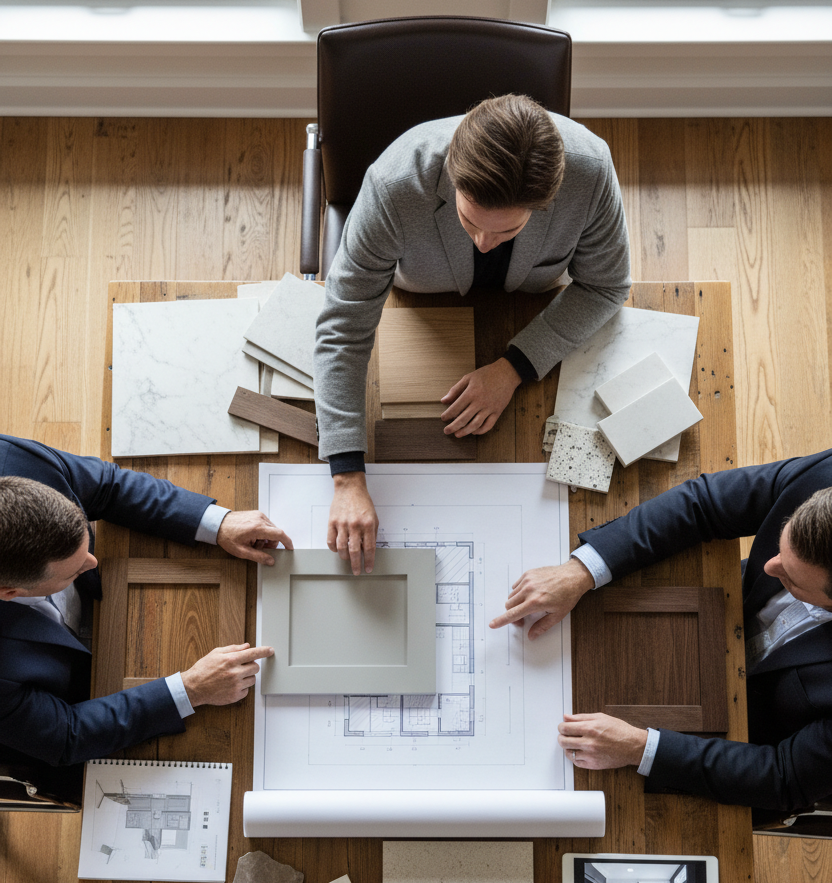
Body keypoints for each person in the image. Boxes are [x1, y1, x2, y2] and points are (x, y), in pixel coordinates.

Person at [315, 94, 631, 574]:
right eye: (470, 221)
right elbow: (344, 321)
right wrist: (346, 477)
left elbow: (606, 285)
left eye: (506, 232)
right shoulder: (395, 182)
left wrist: (514, 368)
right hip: (420, 303)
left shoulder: (590, 170)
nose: (484, 243)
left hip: (530, 306)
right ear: (451, 179)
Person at [489, 450, 832, 818]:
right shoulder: (822, 479)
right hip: (702, 625)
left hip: (737, 750)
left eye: (789, 577)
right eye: (781, 547)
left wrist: (640, 748)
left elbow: (782, 778)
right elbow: (705, 503)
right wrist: (581, 571)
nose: (768, 566)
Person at [0, 434, 292, 791]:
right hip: (60, 698)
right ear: (9, 592)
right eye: (75, 569)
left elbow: (108, 486)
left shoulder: (16, 461)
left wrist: (217, 524)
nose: (93, 562)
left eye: (84, 545)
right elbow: (65, 736)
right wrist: (192, 689)